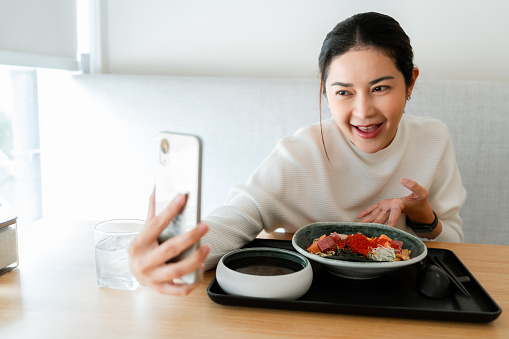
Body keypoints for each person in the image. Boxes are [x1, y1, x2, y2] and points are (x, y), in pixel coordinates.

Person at [128, 12, 466, 295]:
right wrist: (170, 256)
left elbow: (456, 245)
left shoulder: (432, 140)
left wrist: (425, 217)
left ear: (410, 83)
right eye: (344, 92)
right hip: (302, 304)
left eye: (380, 88)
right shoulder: (300, 154)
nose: (363, 111)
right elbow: (235, 217)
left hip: (399, 303)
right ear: (324, 91)